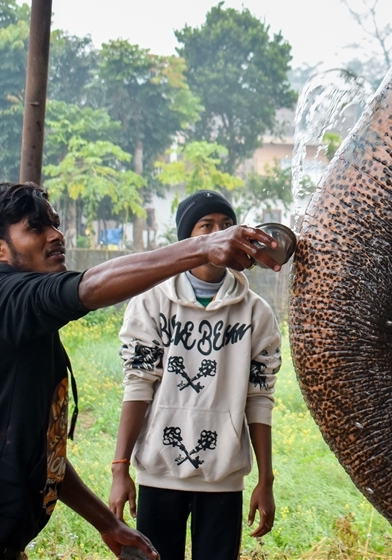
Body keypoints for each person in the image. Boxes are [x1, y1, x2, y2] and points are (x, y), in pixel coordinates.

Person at [0, 182, 281, 560]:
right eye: (36, 228)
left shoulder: (21, 327)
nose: (56, 236)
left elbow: (44, 456)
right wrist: (202, 248)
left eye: (55, 225)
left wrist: (107, 523)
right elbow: (88, 288)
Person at [108, 190, 281, 560]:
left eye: (227, 225)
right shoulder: (150, 303)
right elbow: (138, 384)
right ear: (188, 238)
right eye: (207, 225)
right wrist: (120, 469)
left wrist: (265, 479)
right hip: (159, 473)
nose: (219, 233)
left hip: (223, 479)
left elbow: (259, 397)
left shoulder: (256, 313)